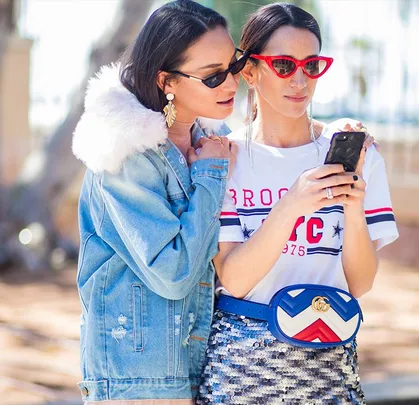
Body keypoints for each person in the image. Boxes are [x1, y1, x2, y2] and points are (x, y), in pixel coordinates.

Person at [197, 3, 399, 404]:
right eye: (284, 65)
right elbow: (234, 278)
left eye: (312, 65)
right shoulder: (223, 159)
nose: (300, 80)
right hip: (242, 369)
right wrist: (293, 204)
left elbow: (360, 282)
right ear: (251, 71)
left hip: (330, 367)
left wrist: (353, 205)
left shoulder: (356, 153)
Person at [71, 0, 249, 403]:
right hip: (138, 383)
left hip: (199, 368)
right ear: (166, 80)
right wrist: (210, 176)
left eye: (233, 66)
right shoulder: (126, 156)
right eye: (212, 76)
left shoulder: (212, 142)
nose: (230, 83)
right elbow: (173, 273)